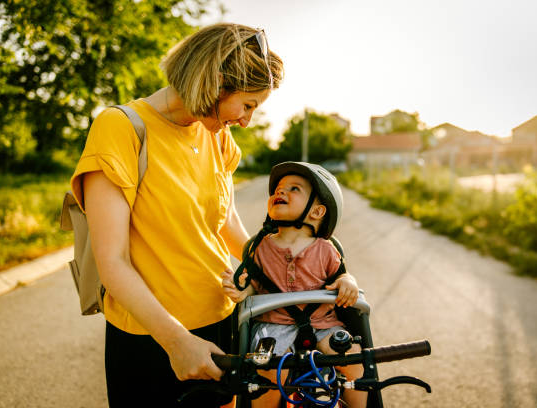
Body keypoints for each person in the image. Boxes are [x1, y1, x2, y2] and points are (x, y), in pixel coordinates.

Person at [69, 23, 283, 407]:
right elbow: (112, 262)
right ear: (217, 81)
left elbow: (225, 220)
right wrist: (177, 342)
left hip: (223, 321)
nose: (248, 120)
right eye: (248, 105)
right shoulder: (121, 128)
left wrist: (282, 269)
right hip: (153, 339)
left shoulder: (216, 133)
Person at [222, 162, 368, 408]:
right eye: (278, 189)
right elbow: (253, 286)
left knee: (353, 359)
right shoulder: (259, 247)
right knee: (265, 369)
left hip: (323, 325)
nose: (280, 192)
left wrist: (348, 282)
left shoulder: (326, 249)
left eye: (294, 189)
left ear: (317, 212)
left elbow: (341, 276)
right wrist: (242, 290)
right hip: (273, 326)